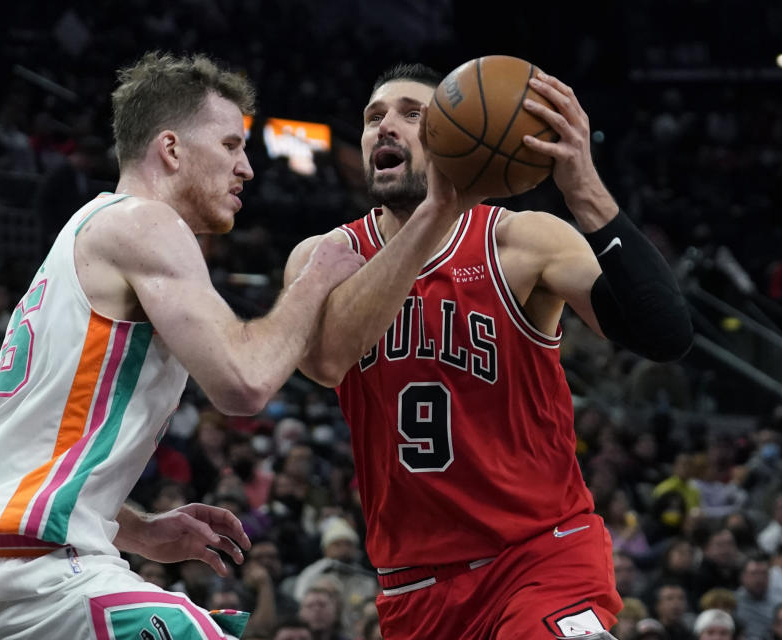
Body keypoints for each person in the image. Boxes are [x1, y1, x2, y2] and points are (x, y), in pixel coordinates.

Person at [0, 52, 363, 640]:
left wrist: (136, 530)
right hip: (39, 578)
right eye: (232, 146)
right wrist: (315, 277)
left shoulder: (86, 233)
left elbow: (27, 452)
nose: (248, 169)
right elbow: (244, 383)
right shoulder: (146, 225)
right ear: (172, 148)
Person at [284, 62, 693, 639]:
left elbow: (665, 334)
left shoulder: (521, 242)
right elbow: (325, 360)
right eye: (374, 117)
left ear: (453, 134)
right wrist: (433, 216)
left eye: (411, 114)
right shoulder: (325, 257)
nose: (386, 127)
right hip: (415, 585)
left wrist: (584, 189)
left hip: (541, 555)